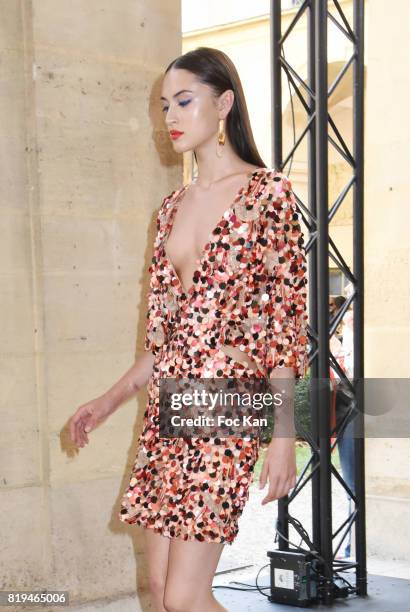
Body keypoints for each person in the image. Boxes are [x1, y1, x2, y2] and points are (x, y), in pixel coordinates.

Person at [68, 47, 309, 612]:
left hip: (228, 405)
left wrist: (281, 437)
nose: (170, 117)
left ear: (223, 104)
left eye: (183, 101)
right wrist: (106, 402)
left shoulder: (268, 197)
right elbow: (163, 339)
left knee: (184, 595)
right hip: (167, 405)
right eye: (163, 106)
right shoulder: (171, 208)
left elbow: (284, 329)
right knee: (160, 592)